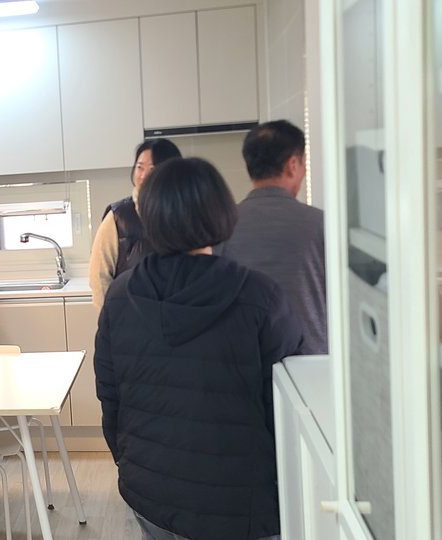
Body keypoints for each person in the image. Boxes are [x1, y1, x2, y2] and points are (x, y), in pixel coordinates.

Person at [95, 157, 304, 540]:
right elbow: (288, 410)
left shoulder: (121, 294)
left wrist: (130, 463)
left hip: (150, 492)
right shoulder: (259, 297)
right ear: (221, 211)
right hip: (239, 504)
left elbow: (111, 399)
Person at [217, 120, 327, 354]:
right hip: (308, 363)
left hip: (243, 360)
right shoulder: (321, 224)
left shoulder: (222, 225)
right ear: (293, 165)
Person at [89, 138, 183, 307]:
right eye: (140, 167)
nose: (143, 175)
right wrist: (112, 316)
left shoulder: (186, 213)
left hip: (179, 314)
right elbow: (98, 276)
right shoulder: (118, 216)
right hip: (131, 316)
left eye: (152, 169)